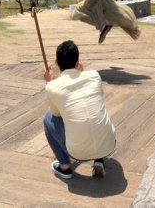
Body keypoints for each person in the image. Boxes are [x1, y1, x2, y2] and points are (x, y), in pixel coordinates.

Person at [43, 40, 115, 180]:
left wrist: (49, 82)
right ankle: (99, 159)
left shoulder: (53, 86)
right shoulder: (94, 75)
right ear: (78, 61)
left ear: (56, 62)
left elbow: (56, 114)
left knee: (48, 119)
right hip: (108, 145)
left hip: (77, 151)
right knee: (92, 110)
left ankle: (64, 166)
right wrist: (81, 71)